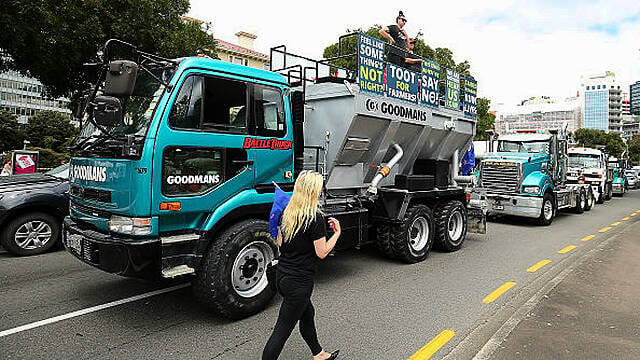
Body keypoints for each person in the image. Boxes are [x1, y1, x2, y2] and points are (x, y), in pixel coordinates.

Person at [262, 171, 341, 360]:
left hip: (282, 276)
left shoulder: (287, 213)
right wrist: (337, 233)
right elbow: (321, 253)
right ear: (313, 191)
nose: (322, 189)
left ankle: (319, 353)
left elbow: (280, 243)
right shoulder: (315, 218)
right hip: (299, 282)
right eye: (320, 186)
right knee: (281, 331)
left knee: (307, 313)